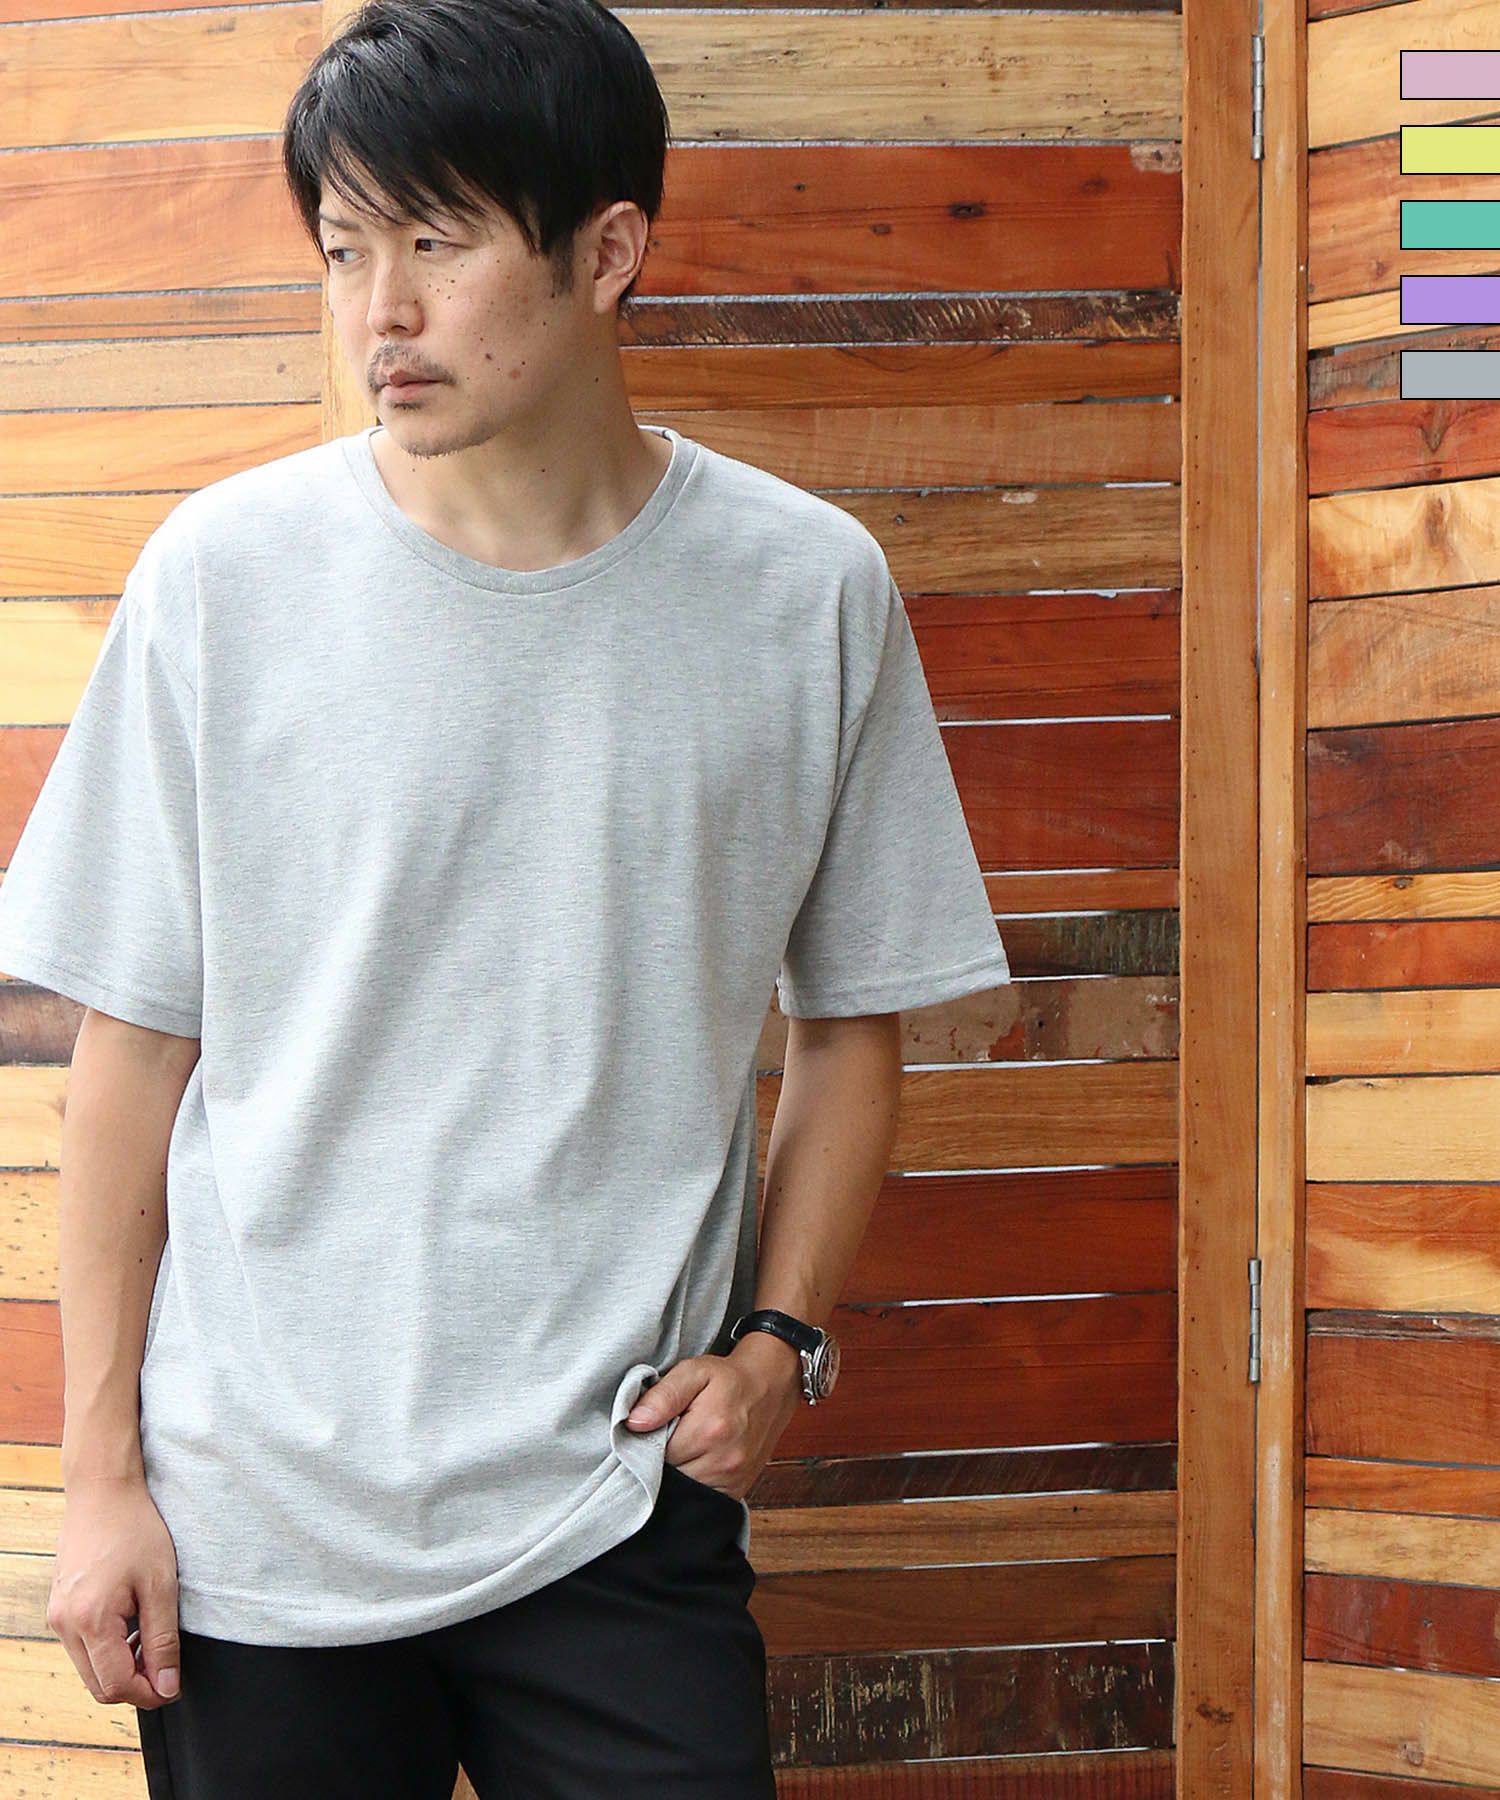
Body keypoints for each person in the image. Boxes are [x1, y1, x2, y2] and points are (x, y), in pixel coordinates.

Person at [0, 0, 1013, 1790]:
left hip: (620, 1501)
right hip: (262, 1524)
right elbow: (129, 1059)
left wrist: (782, 1341)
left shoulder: (806, 591)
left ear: (606, 253)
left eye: (435, 243)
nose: (378, 313)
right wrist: (101, 1486)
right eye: (343, 249)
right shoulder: (224, 579)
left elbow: (852, 1023)